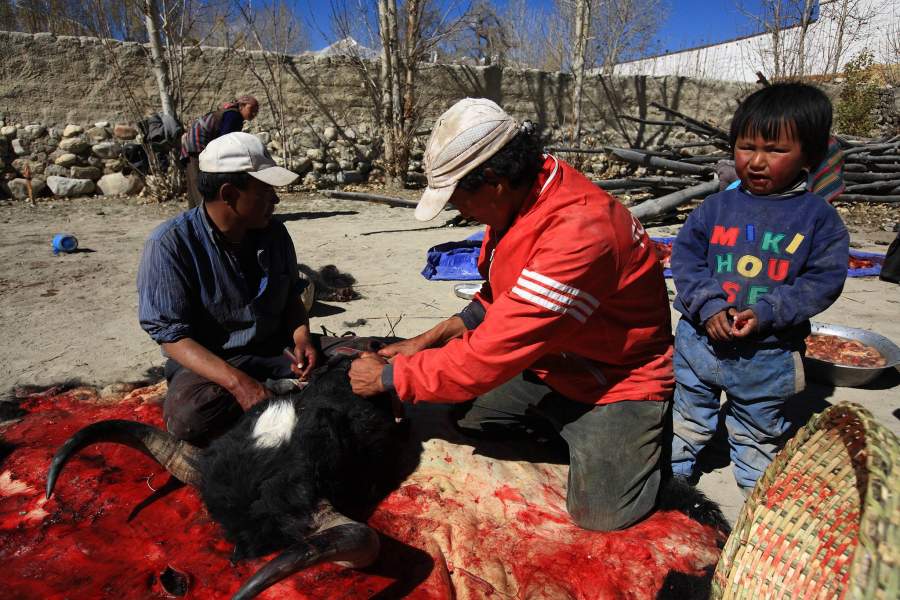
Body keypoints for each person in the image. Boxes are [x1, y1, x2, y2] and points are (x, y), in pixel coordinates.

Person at [349, 98, 675, 532]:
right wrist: (429, 339)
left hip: (615, 382)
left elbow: (488, 355)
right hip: (553, 362)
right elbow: (497, 298)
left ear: (493, 182)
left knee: (603, 516)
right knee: (468, 416)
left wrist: (390, 378)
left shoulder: (579, 231)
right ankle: (563, 424)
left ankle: (637, 435)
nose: (461, 212)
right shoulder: (522, 200)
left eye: (459, 200)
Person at [668, 83, 850, 496]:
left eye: (775, 150)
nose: (756, 161)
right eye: (746, 147)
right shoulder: (716, 208)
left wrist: (768, 311)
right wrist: (709, 305)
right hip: (699, 343)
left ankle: (756, 495)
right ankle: (675, 474)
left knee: (758, 431)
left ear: (809, 156)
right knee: (687, 416)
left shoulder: (818, 219)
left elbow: (822, 281)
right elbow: (687, 257)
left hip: (768, 354)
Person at [138, 131, 314, 446]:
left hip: (276, 350)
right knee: (189, 419)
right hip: (212, 364)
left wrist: (302, 339)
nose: (275, 200)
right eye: (266, 191)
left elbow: (291, 296)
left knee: (364, 361)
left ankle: (279, 391)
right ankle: (279, 394)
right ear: (229, 194)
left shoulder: (275, 233)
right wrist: (239, 384)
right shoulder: (169, 244)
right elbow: (171, 337)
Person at [182, 95, 260, 208]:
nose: (254, 113)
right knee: (201, 180)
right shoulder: (234, 115)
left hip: (192, 142)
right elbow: (225, 140)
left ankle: (195, 212)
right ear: (242, 106)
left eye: (256, 111)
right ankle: (205, 212)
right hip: (197, 142)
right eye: (252, 109)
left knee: (193, 180)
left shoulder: (231, 113)